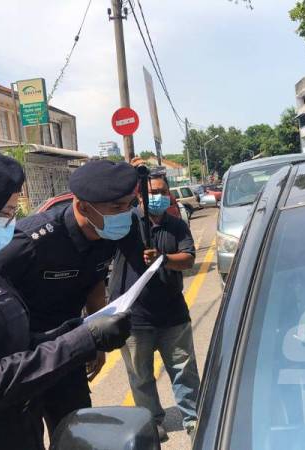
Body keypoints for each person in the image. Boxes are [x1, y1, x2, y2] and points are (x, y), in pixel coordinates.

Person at [0, 147, 131, 450]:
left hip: (17, 419)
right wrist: (78, 343)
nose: (11, 223)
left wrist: (77, 333)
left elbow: (7, 342)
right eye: (5, 213)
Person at [0, 159, 139, 438]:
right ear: (83, 207)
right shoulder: (31, 240)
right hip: (23, 358)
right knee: (23, 435)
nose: (126, 214)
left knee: (77, 430)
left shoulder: (106, 233)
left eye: (130, 205)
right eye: (117, 207)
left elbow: (94, 283)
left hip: (68, 350)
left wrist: (96, 342)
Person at [109, 172, 200, 442]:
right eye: (151, 192)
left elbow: (188, 258)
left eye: (162, 191)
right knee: (140, 376)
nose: (157, 197)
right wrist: (126, 173)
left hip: (173, 315)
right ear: (139, 196)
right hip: (135, 317)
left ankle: (194, 418)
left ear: (170, 194)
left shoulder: (176, 226)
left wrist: (163, 259)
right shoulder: (125, 224)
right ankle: (151, 421)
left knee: (184, 370)